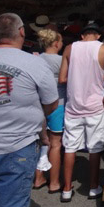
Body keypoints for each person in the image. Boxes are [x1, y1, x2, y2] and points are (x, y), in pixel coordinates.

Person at [0, 13, 58, 207]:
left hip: (14, 143)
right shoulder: (34, 63)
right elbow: (51, 103)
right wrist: (34, 113)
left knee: (13, 202)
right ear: (21, 32)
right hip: (17, 145)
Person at [59, 22, 104, 202]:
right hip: (96, 105)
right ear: (98, 35)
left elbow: (62, 78)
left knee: (70, 147)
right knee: (95, 148)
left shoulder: (69, 48)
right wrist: (100, 76)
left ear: (82, 35)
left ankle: (66, 189)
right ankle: (93, 186)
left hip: (74, 105)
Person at [34, 29, 66, 193]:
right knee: (55, 143)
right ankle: (54, 182)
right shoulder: (62, 60)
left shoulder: (35, 59)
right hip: (57, 103)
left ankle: (38, 178)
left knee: (41, 141)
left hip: (38, 104)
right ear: (56, 43)